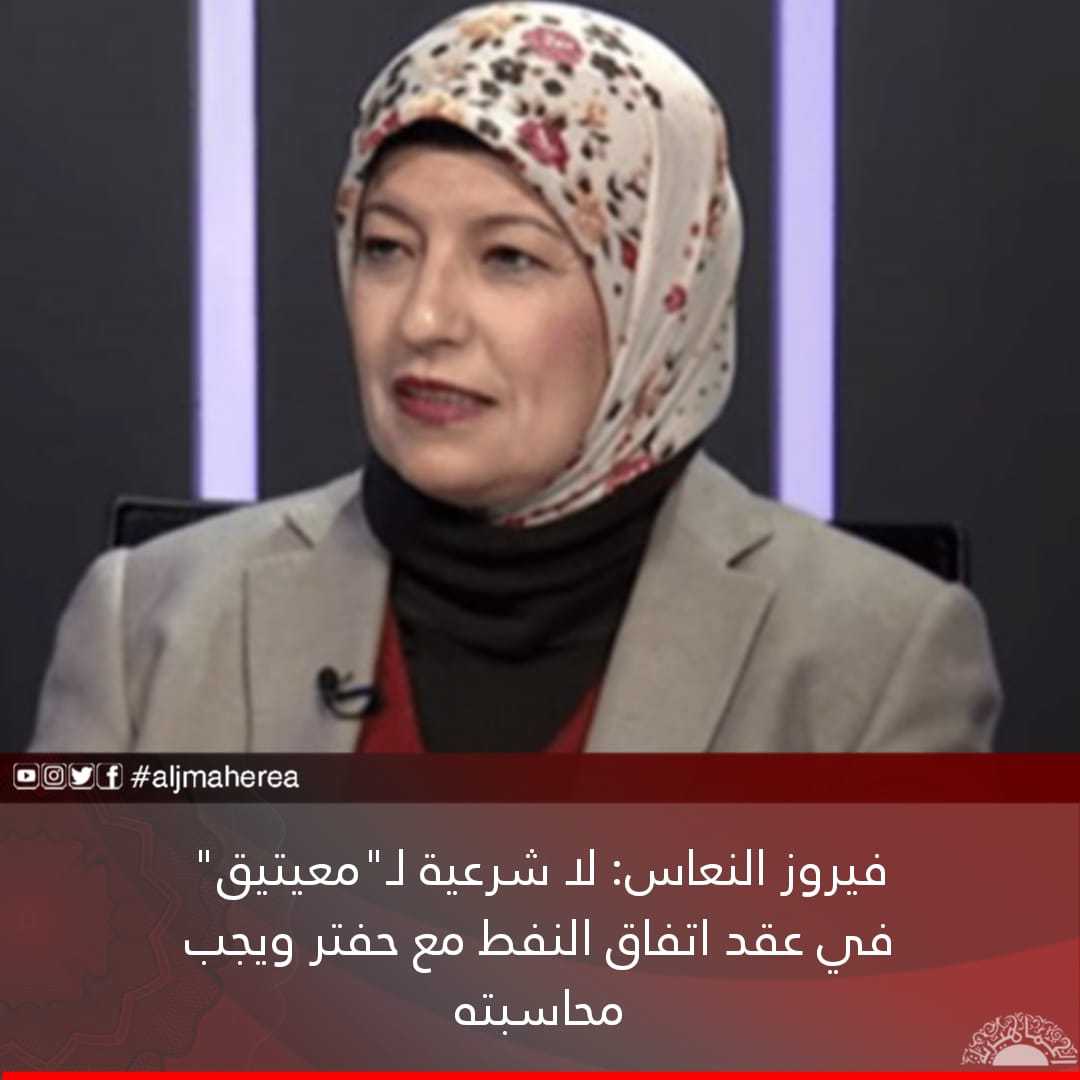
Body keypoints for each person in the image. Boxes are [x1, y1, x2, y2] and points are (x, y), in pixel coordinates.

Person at [31, 2, 1001, 752]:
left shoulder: (881, 659)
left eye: (508, 258)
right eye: (386, 247)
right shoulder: (145, 626)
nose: (423, 320)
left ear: (653, 304)